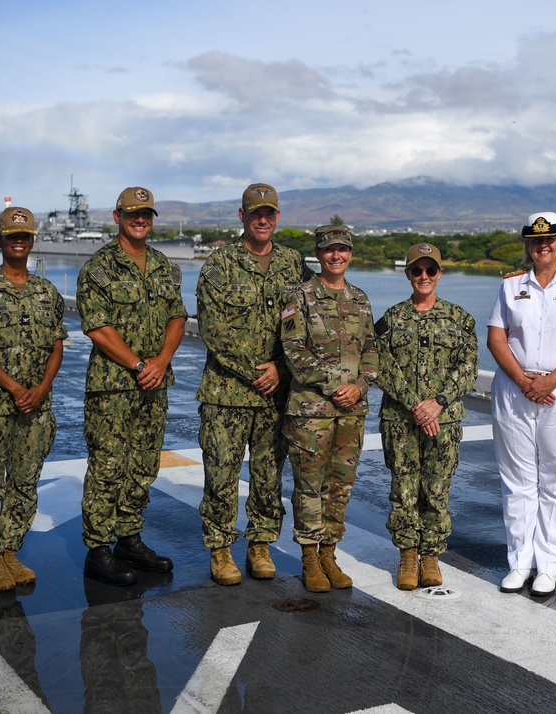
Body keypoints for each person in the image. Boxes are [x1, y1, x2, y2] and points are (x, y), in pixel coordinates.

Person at [196, 183, 314, 586]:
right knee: (221, 472)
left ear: (277, 218)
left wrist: (281, 368)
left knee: (268, 473)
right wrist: (255, 372)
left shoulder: (293, 264)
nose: (262, 220)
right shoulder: (219, 265)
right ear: (241, 216)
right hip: (227, 393)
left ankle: (260, 544)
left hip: (274, 392)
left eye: (269, 213)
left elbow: (310, 317)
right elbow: (212, 329)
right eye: (254, 213)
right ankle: (220, 547)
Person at [486, 212, 556, 598]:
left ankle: (549, 566)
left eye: (550, 240)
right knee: (518, 481)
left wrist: (550, 381)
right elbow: (496, 338)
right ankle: (519, 562)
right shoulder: (510, 286)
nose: (543, 246)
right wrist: (523, 380)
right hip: (515, 387)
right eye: (536, 241)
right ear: (528, 247)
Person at [77, 186, 187, 586]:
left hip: (153, 384)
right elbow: (97, 327)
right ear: (117, 216)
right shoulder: (99, 267)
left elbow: (177, 317)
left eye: (146, 214)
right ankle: (98, 549)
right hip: (113, 386)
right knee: (107, 466)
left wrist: (160, 362)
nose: (140, 220)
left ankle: (129, 538)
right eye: (132, 214)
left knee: (143, 463)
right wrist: (140, 364)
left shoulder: (163, 266)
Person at [0, 207, 67, 592]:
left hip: (36, 408)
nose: (19, 242)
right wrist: (16, 388)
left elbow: (57, 347)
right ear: (0, 241)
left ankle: (9, 550)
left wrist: (39, 389)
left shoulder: (47, 293)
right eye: (11, 236)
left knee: (24, 482)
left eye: (25, 236)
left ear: (32, 240)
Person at [280, 224, 378, 593]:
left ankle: (329, 554)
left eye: (342, 249)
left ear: (349, 253)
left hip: (352, 410)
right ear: (318, 255)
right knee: (309, 486)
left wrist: (361, 384)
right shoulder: (300, 297)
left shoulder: (361, 298)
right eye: (328, 250)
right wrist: (338, 386)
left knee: (341, 485)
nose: (335, 256)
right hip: (311, 411)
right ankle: (309, 557)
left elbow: (371, 348)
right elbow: (294, 351)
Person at [376, 243, 478, 590]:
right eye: (417, 271)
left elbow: (468, 369)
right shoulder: (391, 319)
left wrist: (438, 402)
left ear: (440, 274)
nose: (424, 277)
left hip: (444, 421)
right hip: (401, 420)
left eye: (430, 270)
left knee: (436, 490)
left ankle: (431, 556)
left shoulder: (460, 319)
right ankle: (407, 555)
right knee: (403, 490)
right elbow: (381, 366)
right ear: (407, 274)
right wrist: (415, 404)